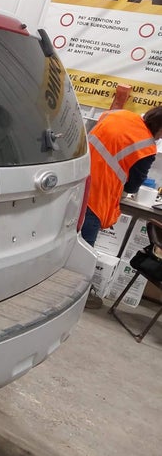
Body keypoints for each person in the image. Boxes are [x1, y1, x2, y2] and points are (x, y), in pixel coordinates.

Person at [82, 105, 162, 307]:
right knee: (84, 248)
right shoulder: (146, 146)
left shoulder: (117, 114)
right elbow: (133, 185)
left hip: (74, 180)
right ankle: (77, 294)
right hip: (96, 196)